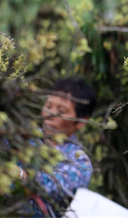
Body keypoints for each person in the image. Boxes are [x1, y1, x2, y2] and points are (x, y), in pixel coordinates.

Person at [23, 78, 97, 217]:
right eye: (49, 106)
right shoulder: (26, 137)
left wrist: (20, 175)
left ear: (82, 120)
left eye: (61, 111)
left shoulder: (79, 162)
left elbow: (48, 186)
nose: (50, 114)